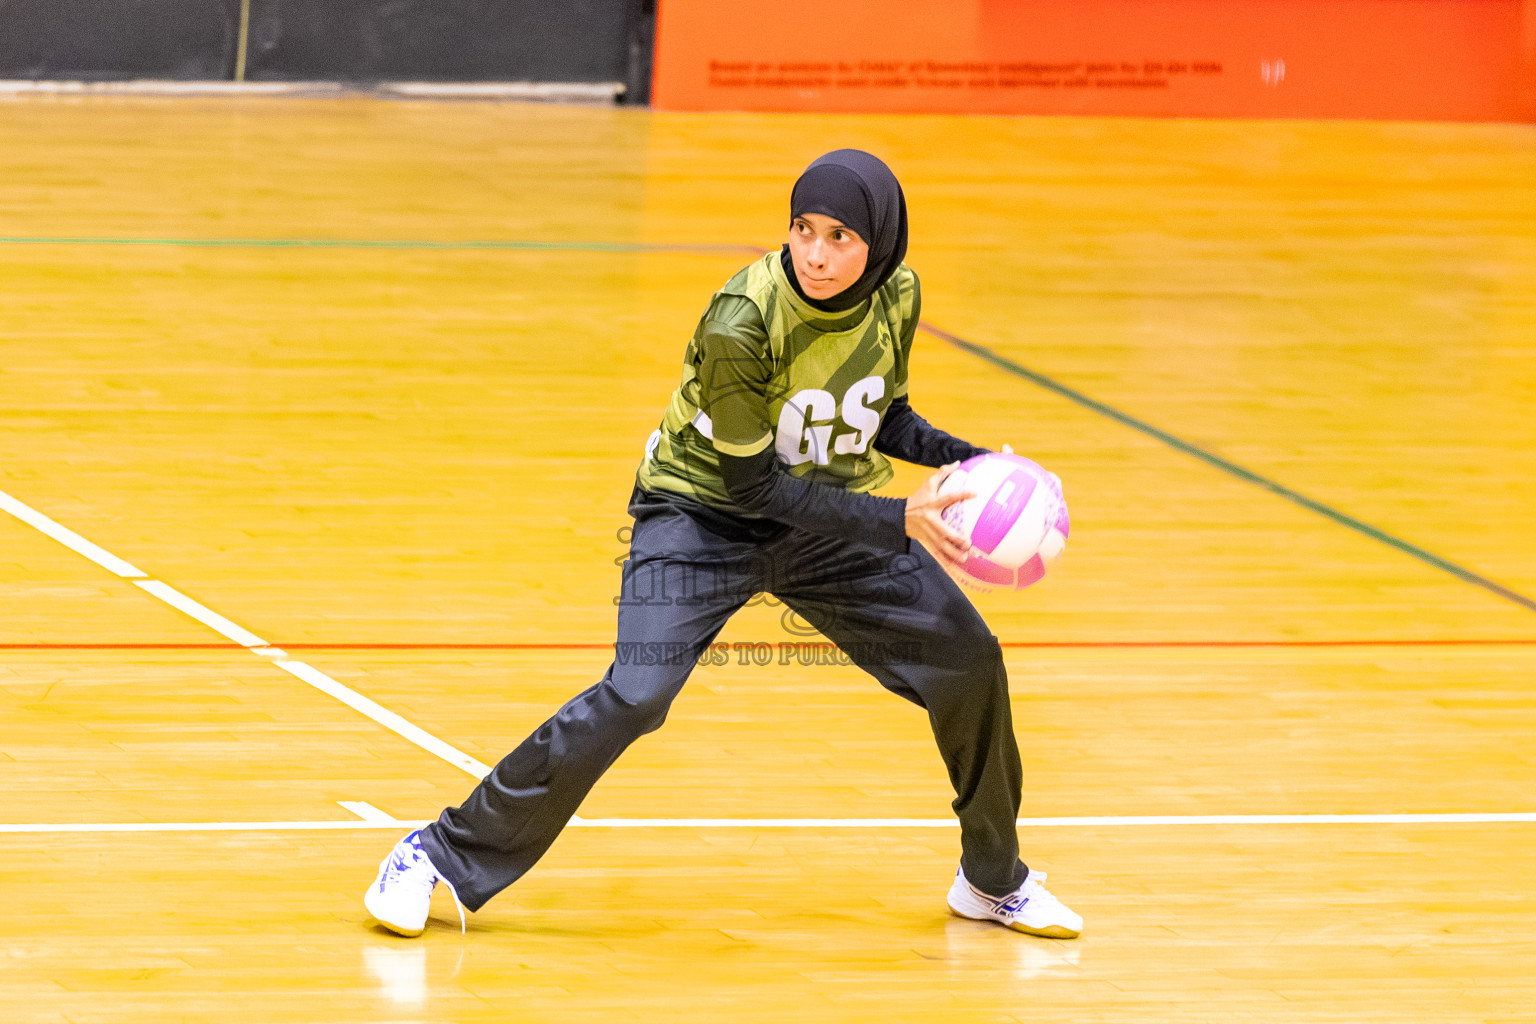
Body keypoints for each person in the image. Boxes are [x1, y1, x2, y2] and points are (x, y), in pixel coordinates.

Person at [363, 149, 1081, 940]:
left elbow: (885, 413)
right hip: (701, 517)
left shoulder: (896, 296)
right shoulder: (742, 321)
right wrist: (896, 519)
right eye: (802, 230)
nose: (815, 253)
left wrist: (968, 463)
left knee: (970, 662)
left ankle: (991, 880)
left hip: (827, 514)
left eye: (840, 236)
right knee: (636, 695)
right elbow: (753, 490)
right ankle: (434, 855)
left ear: (878, 243)